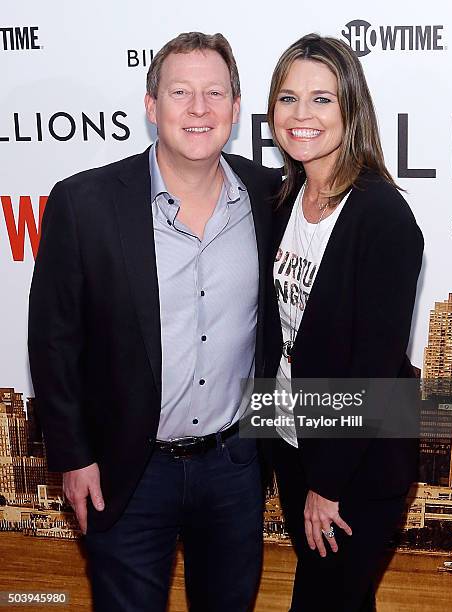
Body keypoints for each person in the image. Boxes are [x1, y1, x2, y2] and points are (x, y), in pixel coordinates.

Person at [28, 31, 281, 612]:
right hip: (126, 473)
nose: (199, 109)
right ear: (150, 105)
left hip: (234, 468)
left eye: (214, 93)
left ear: (236, 110)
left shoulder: (270, 197)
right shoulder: (83, 203)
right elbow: (52, 342)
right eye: (180, 92)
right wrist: (73, 455)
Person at [263, 34, 424, 611]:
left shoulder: (381, 215)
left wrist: (327, 484)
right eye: (287, 98)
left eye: (321, 99)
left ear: (351, 108)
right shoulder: (282, 204)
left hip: (356, 462)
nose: (301, 114)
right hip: (290, 441)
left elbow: (374, 365)